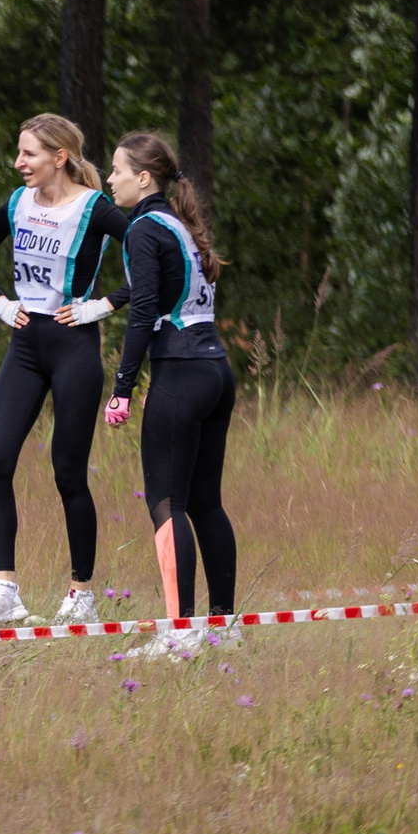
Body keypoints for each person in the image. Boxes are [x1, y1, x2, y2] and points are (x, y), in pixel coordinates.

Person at [0, 113, 130, 629]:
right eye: (19, 153)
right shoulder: (17, 204)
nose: (18, 163)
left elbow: (154, 262)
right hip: (25, 343)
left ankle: (81, 594)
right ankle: (5, 590)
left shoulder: (94, 208)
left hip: (74, 347)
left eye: (28, 154)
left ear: (59, 157)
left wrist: (100, 306)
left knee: (67, 473)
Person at [103, 131, 235, 634]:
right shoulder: (176, 222)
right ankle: (223, 628)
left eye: (116, 170)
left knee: (167, 504)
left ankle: (181, 635)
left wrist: (121, 388)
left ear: (143, 177)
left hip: (181, 375)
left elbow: (141, 314)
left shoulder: (143, 229)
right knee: (205, 503)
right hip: (216, 371)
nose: (110, 179)